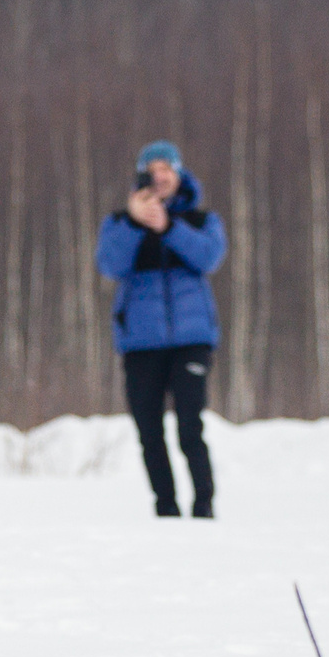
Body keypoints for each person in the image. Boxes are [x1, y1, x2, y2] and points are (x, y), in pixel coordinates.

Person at [95, 139, 228, 517]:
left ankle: (203, 506)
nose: (159, 177)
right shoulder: (120, 224)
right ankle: (165, 508)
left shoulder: (201, 221)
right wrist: (138, 225)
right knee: (149, 431)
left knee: (190, 426)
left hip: (191, 339)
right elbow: (110, 265)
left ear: (179, 174)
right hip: (140, 341)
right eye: (151, 171)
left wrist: (168, 227)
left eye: (166, 169)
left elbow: (209, 257)